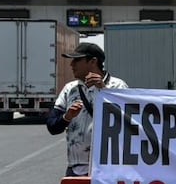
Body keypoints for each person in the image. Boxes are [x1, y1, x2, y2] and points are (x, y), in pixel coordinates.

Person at [46, 43, 128, 176]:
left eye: (77, 60)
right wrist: (67, 117)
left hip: (109, 168)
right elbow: (52, 126)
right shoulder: (70, 89)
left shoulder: (117, 86)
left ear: (93, 61)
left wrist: (104, 91)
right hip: (76, 168)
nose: (71, 64)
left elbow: (126, 122)